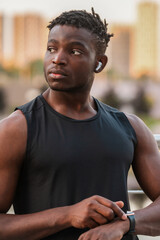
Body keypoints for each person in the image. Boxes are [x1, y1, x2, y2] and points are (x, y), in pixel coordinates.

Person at [0, 8, 160, 240]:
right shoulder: (16, 129)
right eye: (51, 49)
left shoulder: (131, 127)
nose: (57, 59)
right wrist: (68, 215)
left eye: (74, 51)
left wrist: (126, 223)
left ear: (99, 63)